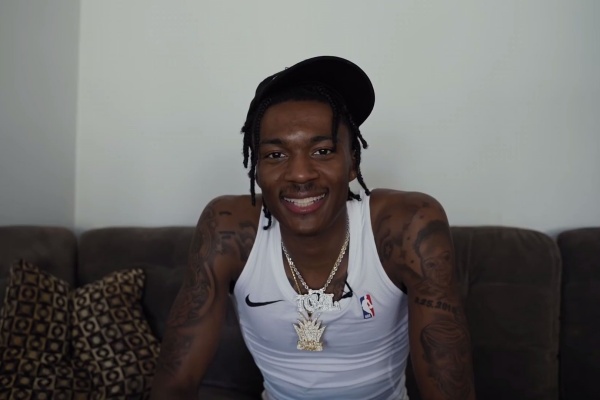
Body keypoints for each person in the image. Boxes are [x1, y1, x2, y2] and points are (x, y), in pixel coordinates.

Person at [150, 56, 476, 400]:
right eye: (275, 155)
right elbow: (175, 384)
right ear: (256, 169)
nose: (300, 174)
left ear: (353, 161)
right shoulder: (227, 228)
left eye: (322, 151)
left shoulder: (408, 225)